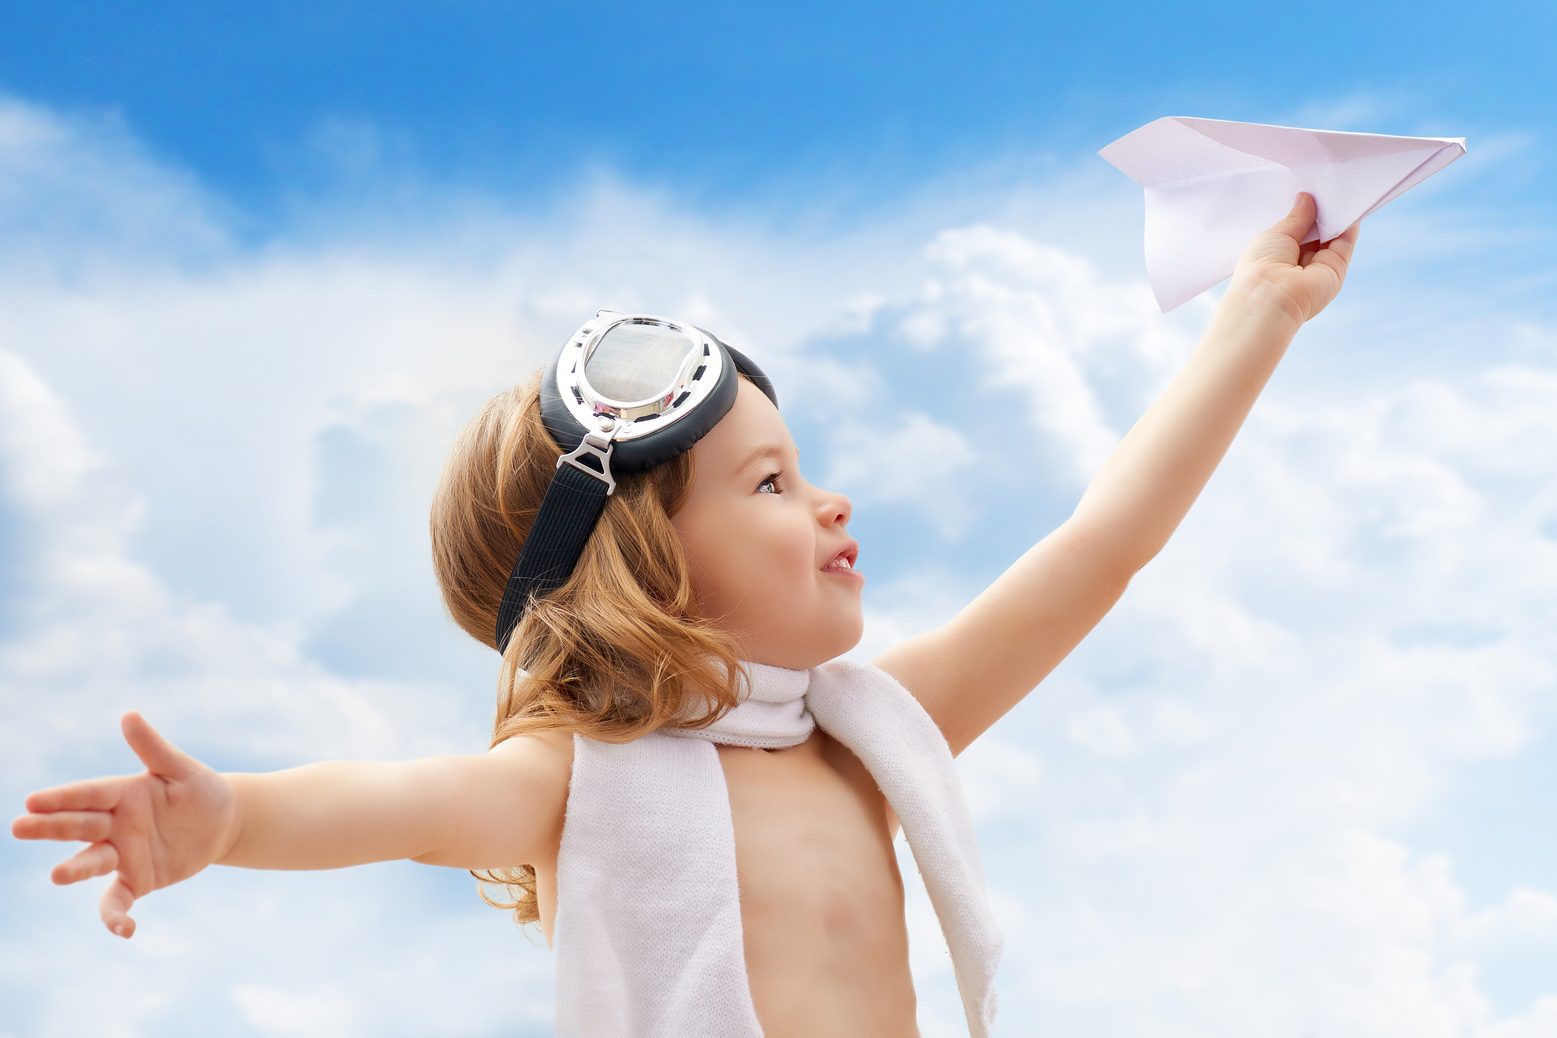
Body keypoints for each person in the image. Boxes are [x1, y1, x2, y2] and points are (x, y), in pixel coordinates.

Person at [13, 194, 1358, 1037]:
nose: (830, 500)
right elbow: (405, 803)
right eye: (770, 481)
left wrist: (1256, 313)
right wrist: (234, 820)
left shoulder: (865, 733)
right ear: (647, 572)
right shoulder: (577, 779)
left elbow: (1099, 545)